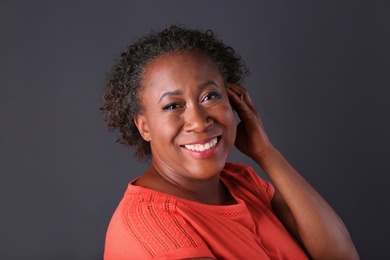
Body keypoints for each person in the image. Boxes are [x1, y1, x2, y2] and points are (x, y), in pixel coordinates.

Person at [100, 25, 359, 260]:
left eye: (210, 96)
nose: (199, 122)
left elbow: (341, 255)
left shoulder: (242, 183)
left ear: (233, 101)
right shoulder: (153, 228)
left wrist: (266, 153)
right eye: (173, 105)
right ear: (144, 126)